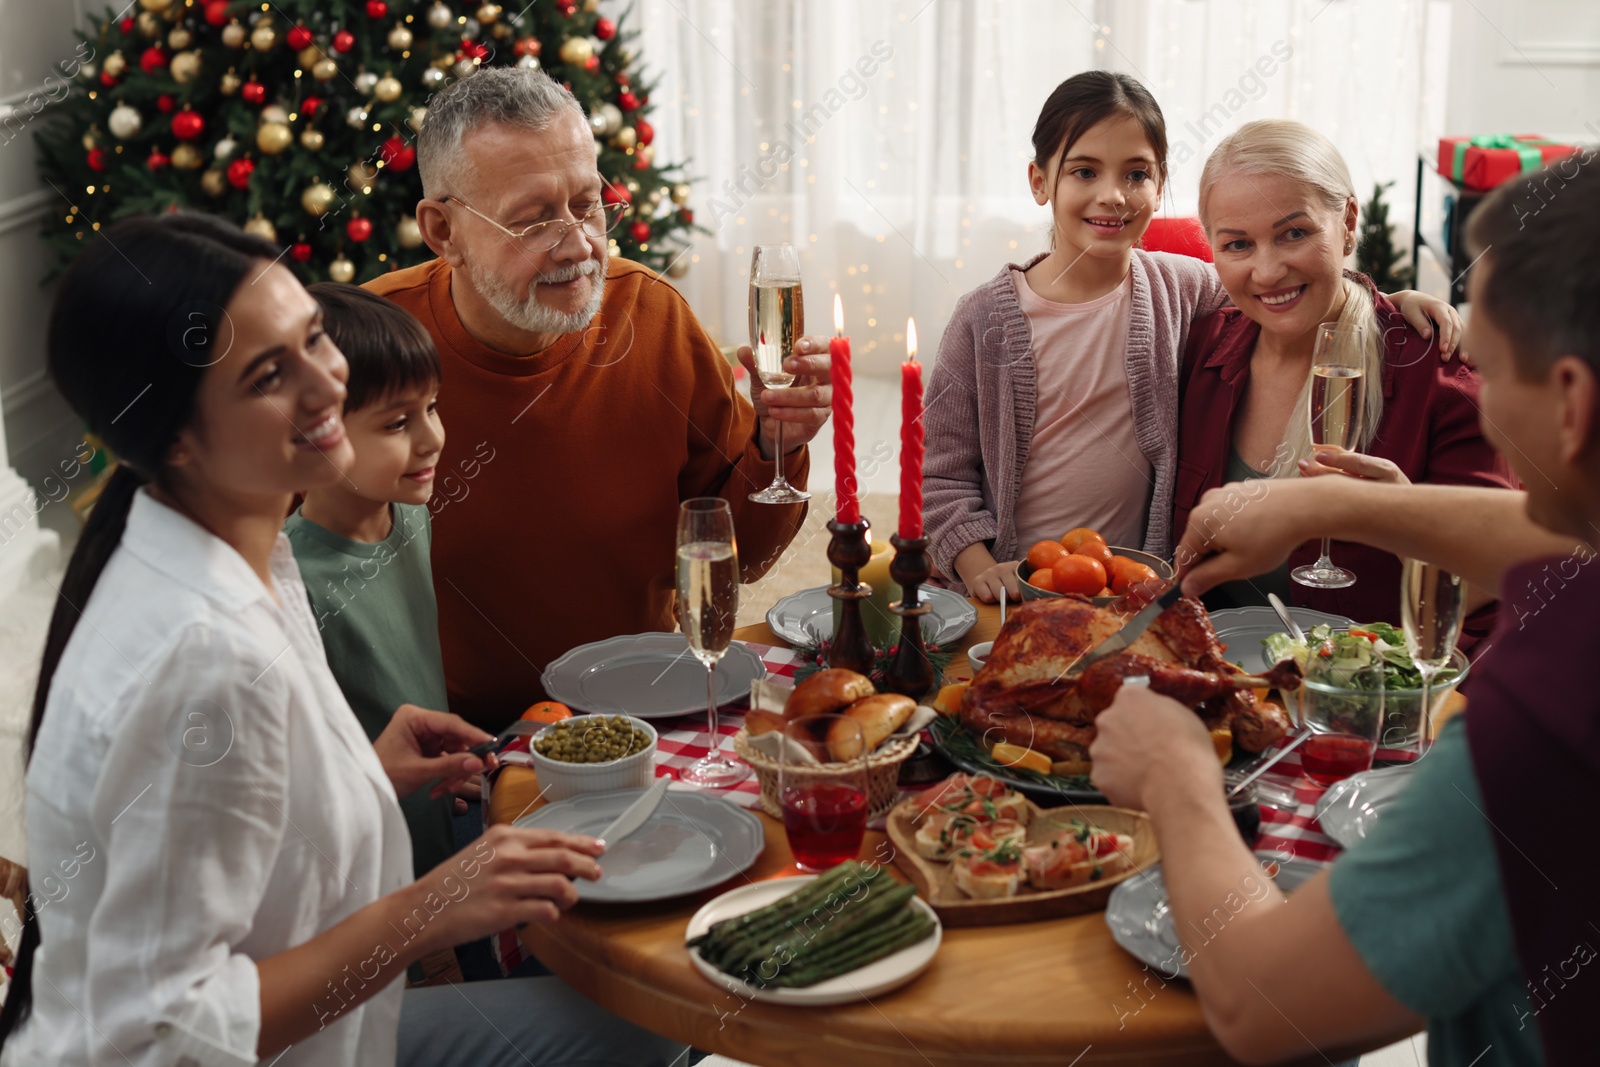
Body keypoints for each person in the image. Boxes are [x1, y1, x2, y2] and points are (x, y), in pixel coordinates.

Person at [0, 213, 689, 1067]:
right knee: (653, 1027)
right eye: (266, 375)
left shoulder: (245, 546)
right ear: (172, 436)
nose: (328, 385)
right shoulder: (201, 659)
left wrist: (357, 772)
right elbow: (165, 1033)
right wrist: (436, 905)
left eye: (314, 337)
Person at [1089, 157, 1600, 1066]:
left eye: (1494, 360)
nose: (1472, 375)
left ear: (1571, 402)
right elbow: (1567, 549)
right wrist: (1334, 505)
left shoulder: (1553, 708)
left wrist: (1175, 776)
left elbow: (1265, 1005)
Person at [366, 66, 832, 730]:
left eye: (587, 204)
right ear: (443, 232)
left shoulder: (654, 315)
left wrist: (774, 445)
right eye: (533, 221)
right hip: (458, 742)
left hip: (650, 710)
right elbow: (291, 582)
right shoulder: (367, 348)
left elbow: (747, 561)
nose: (580, 245)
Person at [923, 71, 1460, 603]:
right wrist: (979, 566)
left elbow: (1281, 288)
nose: (1112, 195)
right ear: (1040, 182)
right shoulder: (983, 320)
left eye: (1136, 174)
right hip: (1014, 585)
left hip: (1127, 591)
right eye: (1084, 171)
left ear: (1159, 187)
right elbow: (940, 476)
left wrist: (1390, 298)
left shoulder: (1183, 289)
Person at [1174, 119, 1516, 646]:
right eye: (1238, 245)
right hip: (1218, 678)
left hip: (1366, 693)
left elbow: (1489, 585)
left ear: (1348, 222)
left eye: (1295, 233)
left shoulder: (1439, 372)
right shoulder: (1200, 350)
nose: (1267, 272)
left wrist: (1399, 516)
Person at [284, 283, 455, 884]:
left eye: (432, 407)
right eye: (397, 423)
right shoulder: (292, 583)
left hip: (439, 821)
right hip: (368, 868)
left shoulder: (411, 516)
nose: (432, 437)